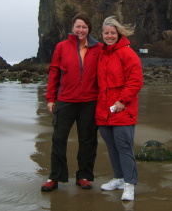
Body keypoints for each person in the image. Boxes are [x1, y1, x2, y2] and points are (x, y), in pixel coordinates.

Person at [41, 13, 102, 192]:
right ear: (72, 28)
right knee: (59, 139)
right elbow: (54, 73)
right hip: (65, 100)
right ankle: (54, 177)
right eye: (78, 27)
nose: (80, 30)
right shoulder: (62, 47)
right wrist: (51, 98)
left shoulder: (98, 48)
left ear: (89, 28)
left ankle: (83, 176)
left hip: (90, 102)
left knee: (88, 141)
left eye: (84, 27)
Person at [95, 16, 143, 201]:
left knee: (124, 147)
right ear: (102, 34)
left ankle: (129, 185)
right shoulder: (101, 53)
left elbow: (136, 80)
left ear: (118, 34)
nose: (109, 36)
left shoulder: (127, 53)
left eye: (112, 33)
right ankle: (119, 178)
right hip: (103, 110)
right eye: (106, 33)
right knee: (112, 147)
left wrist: (122, 101)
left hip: (123, 109)